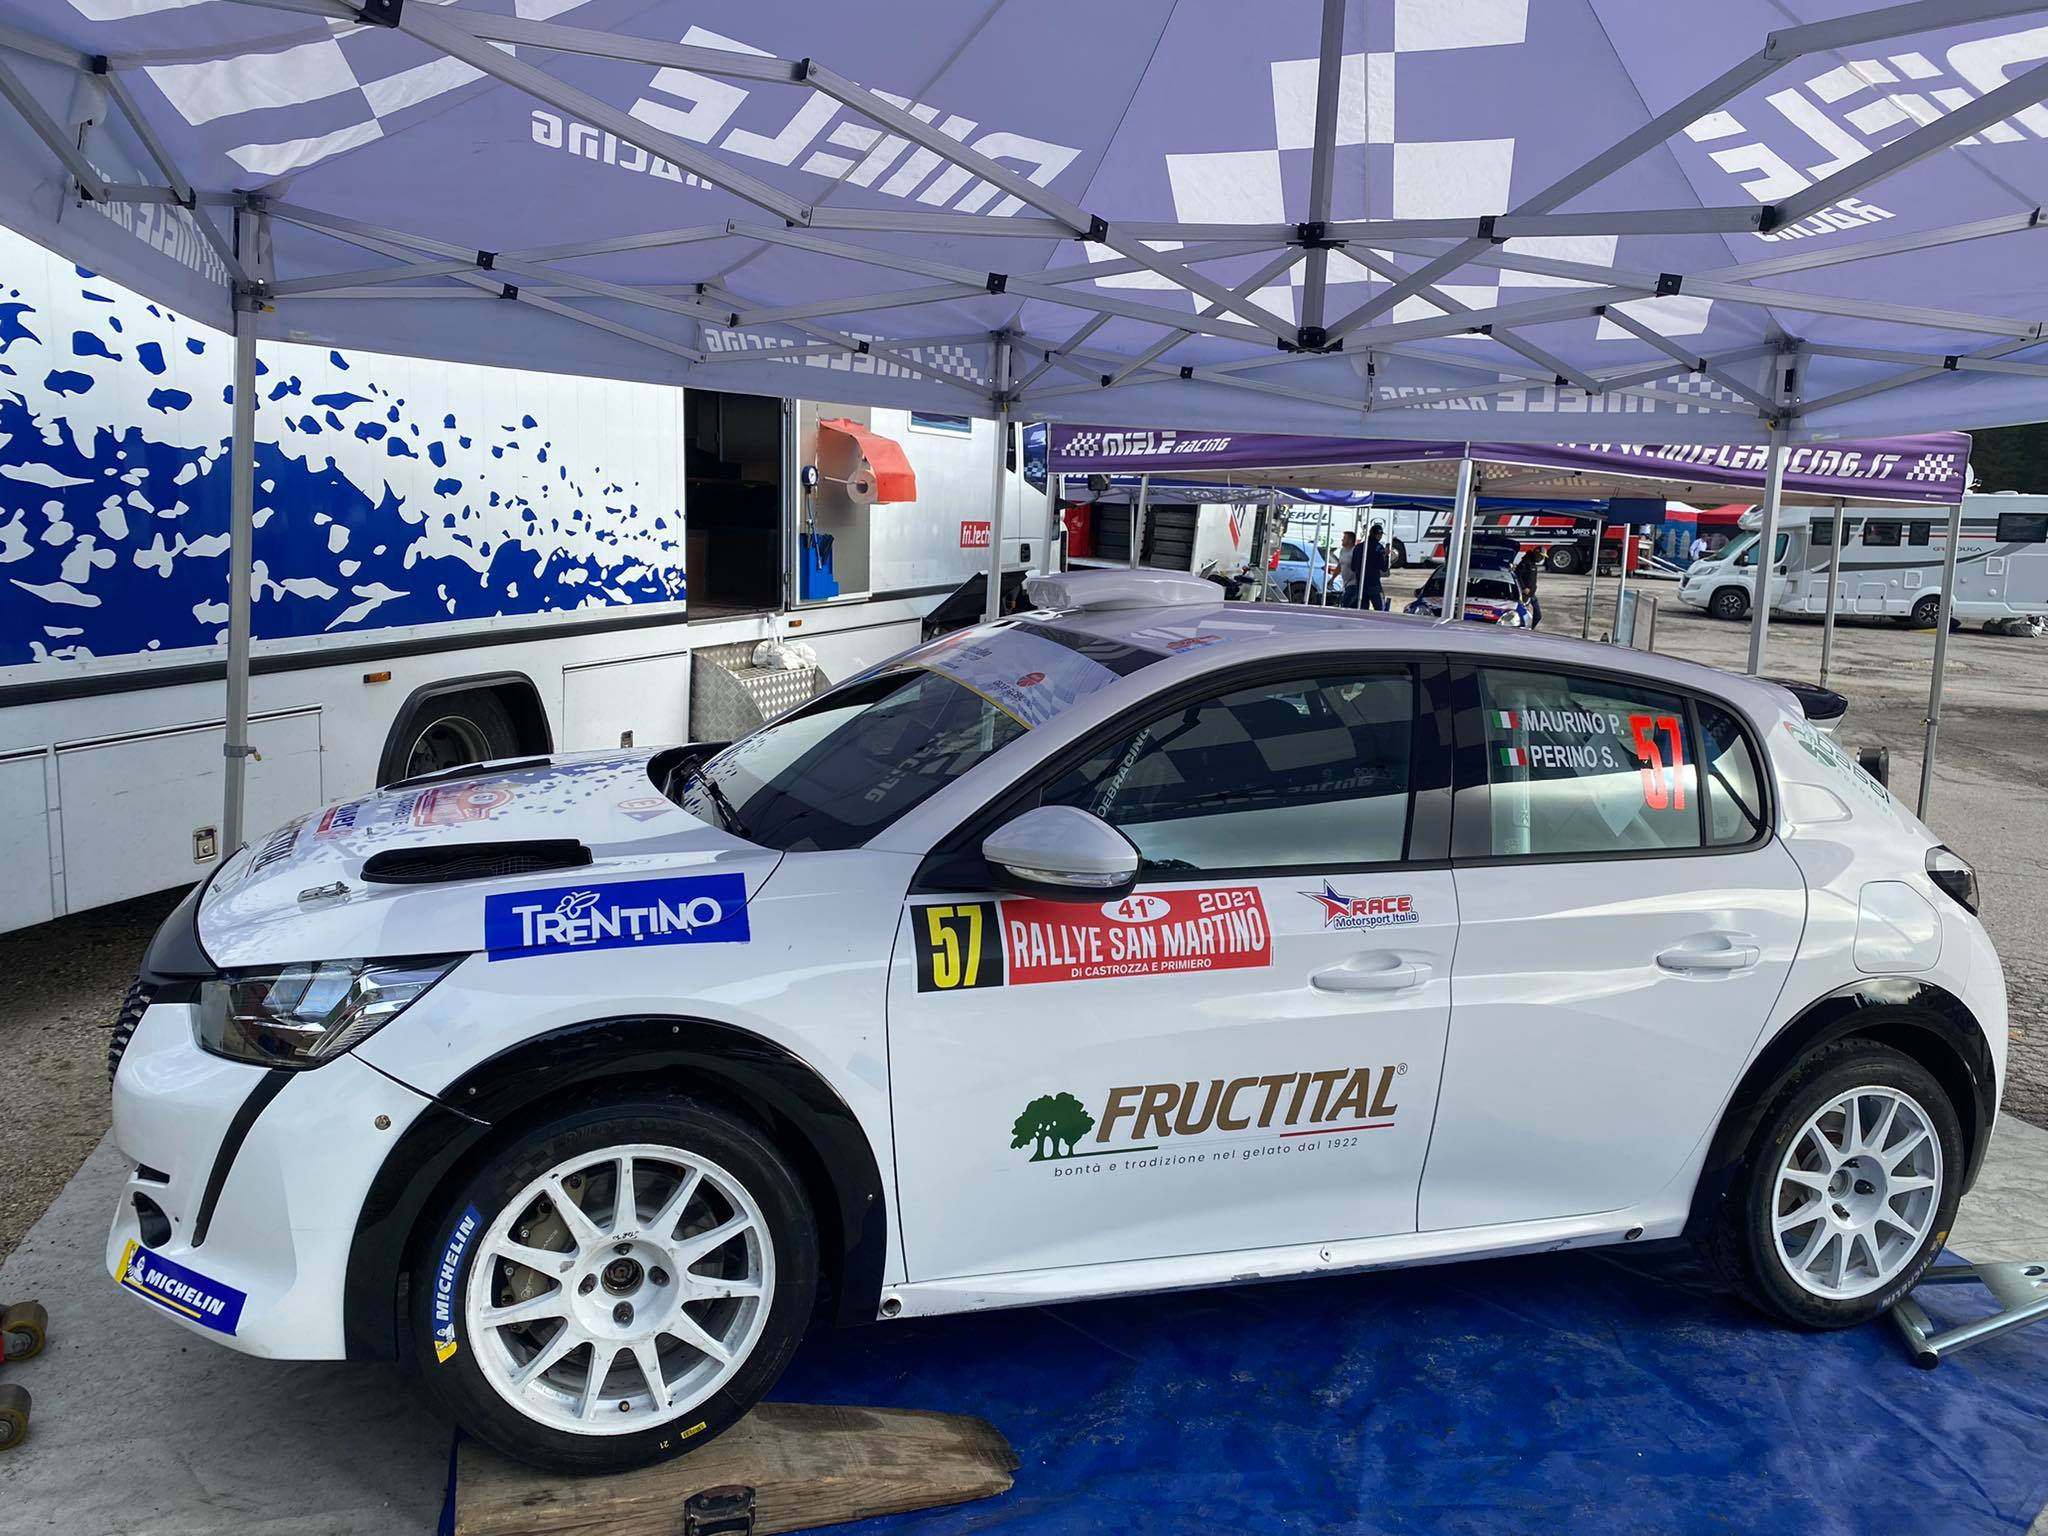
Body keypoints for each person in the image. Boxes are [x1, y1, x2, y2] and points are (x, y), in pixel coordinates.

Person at [1362, 524, 1390, 612]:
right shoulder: (1379, 548)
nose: (1380, 537)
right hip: (1374, 583)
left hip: (1361, 583)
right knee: (1380, 609)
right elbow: (1384, 568)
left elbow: (1353, 567)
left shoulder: (1359, 547)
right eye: (1379, 535)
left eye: (1380, 534)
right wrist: (1386, 555)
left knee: (1362, 610)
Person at [1335, 528, 1364, 608]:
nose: (1342, 540)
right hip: (1346, 584)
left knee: (1345, 604)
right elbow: (1340, 565)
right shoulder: (1342, 551)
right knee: (1351, 606)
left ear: (1350, 540)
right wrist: (1333, 578)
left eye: (1344, 538)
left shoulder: (1355, 551)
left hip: (1354, 583)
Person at [1514, 549, 1541, 629]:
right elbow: (1518, 575)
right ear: (1537, 554)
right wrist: (1523, 587)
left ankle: (1531, 629)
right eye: (1541, 556)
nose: (1541, 559)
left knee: (1538, 616)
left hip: (1532, 594)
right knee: (1523, 615)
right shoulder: (1525, 563)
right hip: (1524, 594)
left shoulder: (1533, 564)